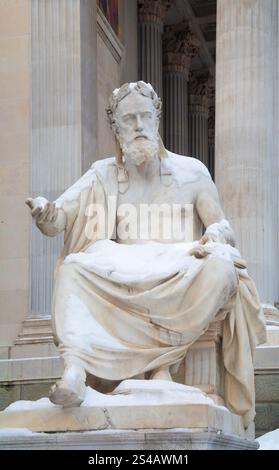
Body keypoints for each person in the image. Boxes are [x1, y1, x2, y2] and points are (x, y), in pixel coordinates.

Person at [26, 81, 266, 426]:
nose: (138, 126)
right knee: (74, 269)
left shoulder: (192, 171)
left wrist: (215, 233)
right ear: (116, 127)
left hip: (178, 267)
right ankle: (75, 369)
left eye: (144, 117)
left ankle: (163, 364)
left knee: (223, 268)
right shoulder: (103, 174)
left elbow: (223, 227)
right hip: (121, 268)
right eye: (129, 120)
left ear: (157, 118)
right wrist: (46, 213)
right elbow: (60, 216)